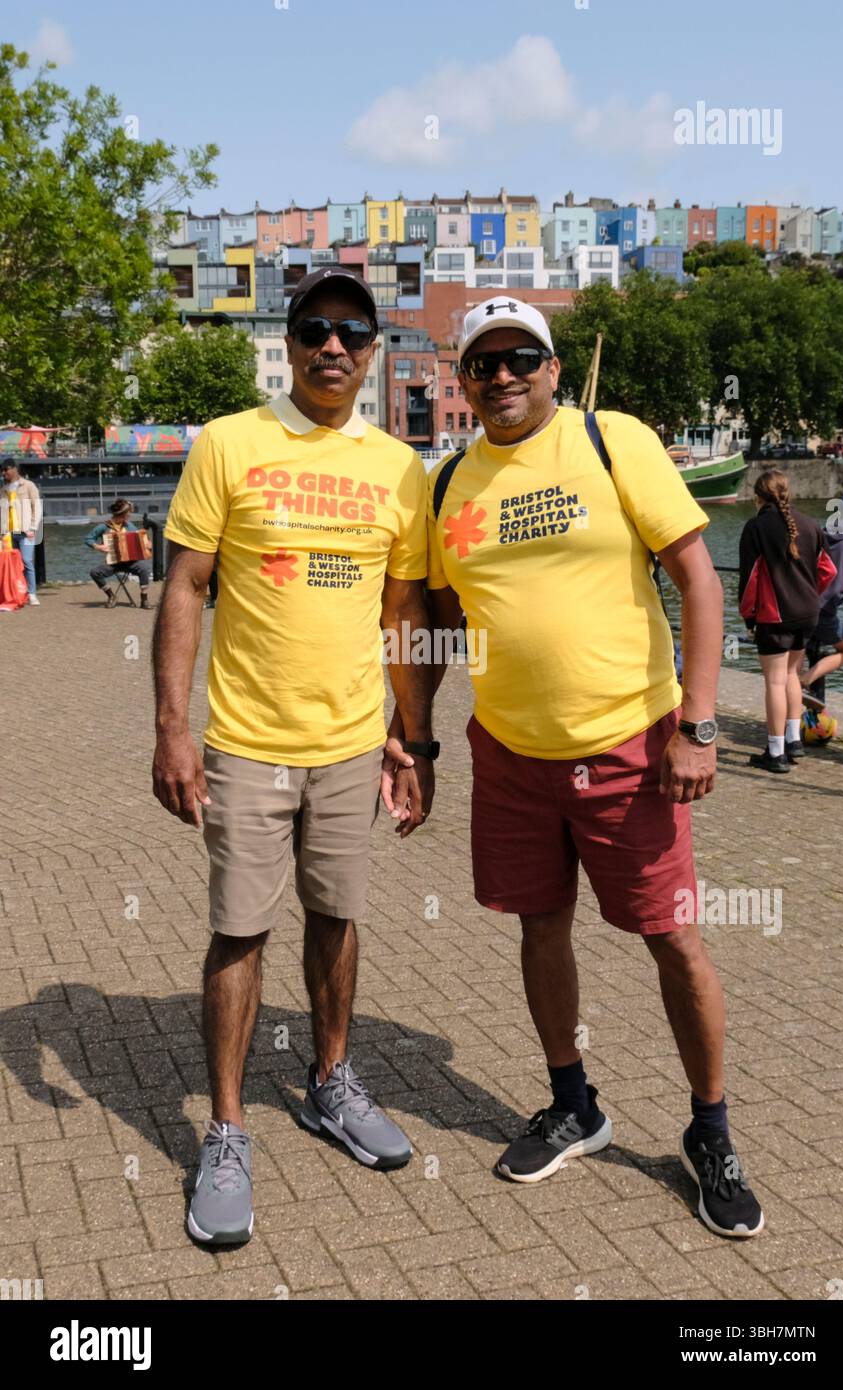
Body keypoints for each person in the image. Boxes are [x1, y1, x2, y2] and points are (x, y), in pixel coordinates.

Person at [397, 296, 764, 1238]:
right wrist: (419, 742)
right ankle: (576, 1104)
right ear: (464, 381)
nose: (505, 375)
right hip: (510, 755)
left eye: (523, 357)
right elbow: (439, 629)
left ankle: (710, 1130)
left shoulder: (615, 443)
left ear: (553, 369)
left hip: (632, 748)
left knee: (673, 938)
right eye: (484, 364)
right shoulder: (448, 487)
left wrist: (701, 723)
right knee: (539, 927)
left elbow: (699, 578)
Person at [152, 267, 434, 1246]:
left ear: (370, 351)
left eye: (351, 333)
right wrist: (171, 729)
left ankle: (328, 1081)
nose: (331, 346)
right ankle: (227, 1131)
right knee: (239, 931)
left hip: (352, 743)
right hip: (243, 741)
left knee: (337, 917)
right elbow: (186, 587)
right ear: (290, 340)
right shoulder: (232, 443)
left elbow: (401, 609)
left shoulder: (401, 470)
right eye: (313, 328)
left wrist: (411, 736)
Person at [739, 470, 836, 773]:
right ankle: (794, 741)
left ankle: (776, 753)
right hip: (808, 612)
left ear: (758, 496)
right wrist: (809, 595)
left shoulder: (756, 528)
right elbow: (828, 570)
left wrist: (748, 617)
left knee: (775, 681)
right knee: (792, 673)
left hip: (775, 614)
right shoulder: (810, 524)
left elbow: (750, 578)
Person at [801, 492, 843, 708]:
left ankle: (787, 723)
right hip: (824, 609)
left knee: (796, 657)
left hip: (802, 603)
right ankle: (806, 681)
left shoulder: (822, 532)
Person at [85, 498, 153, 608]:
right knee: (94, 572)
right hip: (113, 563)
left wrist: (148, 544)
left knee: (144, 568)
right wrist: (98, 546)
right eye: (128, 513)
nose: (130, 515)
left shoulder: (129, 525)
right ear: (122, 514)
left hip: (131, 562)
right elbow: (88, 538)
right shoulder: (104, 526)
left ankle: (144, 599)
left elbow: (142, 538)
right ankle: (111, 595)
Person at [1, 457, 42, 606]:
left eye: (5, 470)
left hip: (25, 531)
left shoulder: (28, 486)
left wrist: (33, 528)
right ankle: (19, 592)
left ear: (13, 469)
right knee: (14, 564)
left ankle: (32, 593)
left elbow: (36, 507)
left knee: (27, 561)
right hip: (9, 533)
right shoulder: (3, 490)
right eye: (2, 471)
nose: (3, 473)